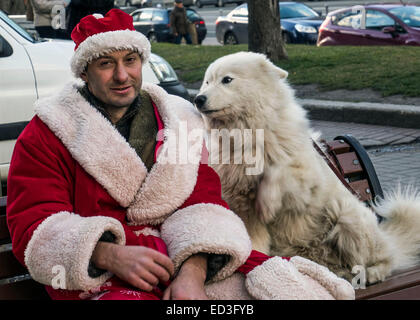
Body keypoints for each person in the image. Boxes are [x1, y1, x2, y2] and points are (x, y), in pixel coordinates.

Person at [6, 8, 355, 300]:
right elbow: (35, 224)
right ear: (84, 71)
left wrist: (194, 271)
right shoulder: (46, 135)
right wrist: (109, 254)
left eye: (130, 60)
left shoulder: (178, 117)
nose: (122, 75)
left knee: (287, 290)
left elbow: (202, 201)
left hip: (189, 260)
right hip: (103, 280)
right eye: (105, 64)